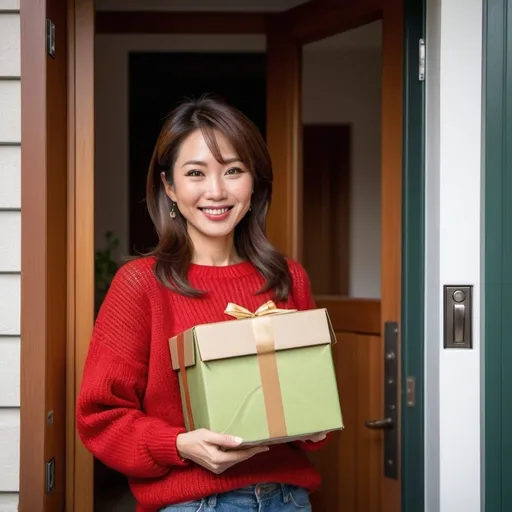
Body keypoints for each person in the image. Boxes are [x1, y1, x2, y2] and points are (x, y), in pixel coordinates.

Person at [76, 96, 329, 512]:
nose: (216, 191)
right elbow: (99, 418)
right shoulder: (141, 284)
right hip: (194, 504)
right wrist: (178, 445)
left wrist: (315, 424)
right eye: (196, 173)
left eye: (233, 170)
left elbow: (313, 405)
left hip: (289, 499)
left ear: (254, 183)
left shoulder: (287, 278)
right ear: (169, 187)